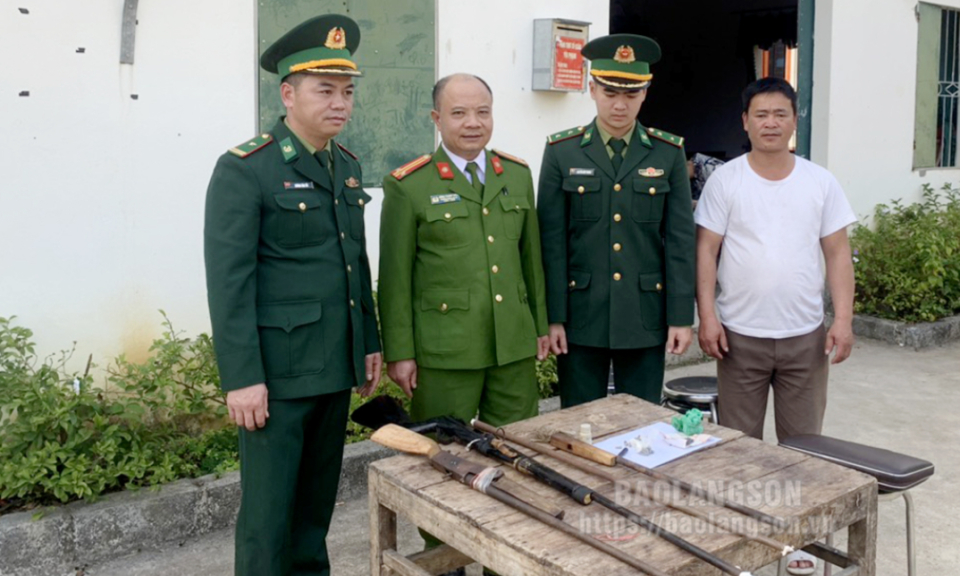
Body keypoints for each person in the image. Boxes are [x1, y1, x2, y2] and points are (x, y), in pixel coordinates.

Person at [203, 14, 381, 576]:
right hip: (277, 376)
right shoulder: (246, 170)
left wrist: (369, 344)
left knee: (313, 515)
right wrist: (240, 377)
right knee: (267, 517)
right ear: (288, 92)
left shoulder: (345, 167)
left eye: (347, 92)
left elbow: (356, 267)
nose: (340, 103)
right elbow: (228, 283)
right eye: (325, 90)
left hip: (331, 367)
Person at [694, 77, 856, 573]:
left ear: (793, 121)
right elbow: (706, 249)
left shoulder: (819, 181)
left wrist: (843, 320)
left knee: (802, 447)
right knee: (739, 447)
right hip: (739, 337)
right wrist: (708, 315)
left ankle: (797, 541)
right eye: (760, 114)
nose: (770, 123)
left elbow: (837, 252)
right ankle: (742, 538)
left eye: (779, 114)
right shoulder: (727, 180)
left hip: (805, 336)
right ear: (745, 121)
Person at [379, 73, 549, 429]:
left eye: (483, 112)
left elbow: (531, 260)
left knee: (519, 445)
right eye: (458, 113)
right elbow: (395, 280)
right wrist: (400, 353)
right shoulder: (409, 185)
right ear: (436, 119)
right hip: (446, 350)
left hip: (512, 346)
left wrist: (539, 325)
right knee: (441, 454)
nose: (473, 123)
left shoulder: (516, 175)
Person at [537, 34, 696, 408]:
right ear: (592, 90)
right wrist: (553, 318)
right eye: (610, 93)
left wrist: (679, 318)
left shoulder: (668, 152)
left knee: (639, 423)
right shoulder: (562, 151)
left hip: (644, 316)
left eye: (630, 94)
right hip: (581, 315)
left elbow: (679, 242)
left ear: (645, 94)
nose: (620, 105)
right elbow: (551, 242)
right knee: (578, 422)